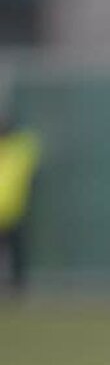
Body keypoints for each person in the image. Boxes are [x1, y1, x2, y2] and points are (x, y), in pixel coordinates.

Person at [0, 111, 41, 295]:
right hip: (11, 210)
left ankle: (18, 288)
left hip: (13, 211)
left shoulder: (19, 148)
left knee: (17, 253)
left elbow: (31, 144)